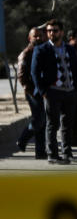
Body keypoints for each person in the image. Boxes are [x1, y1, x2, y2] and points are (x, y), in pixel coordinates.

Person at [31, 19, 77, 165]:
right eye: (49, 31)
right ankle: (52, 154)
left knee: (68, 124)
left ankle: (67, 153)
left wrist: (76, 87)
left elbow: (76, 69)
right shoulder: (41, 49)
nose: (51, 33)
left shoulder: (70, 49)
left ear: (61, 32)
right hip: (52, 92)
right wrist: (43, 91)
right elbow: (34, 72)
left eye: (54, 30)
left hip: (69, 91)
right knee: (52, 124)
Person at [15, 27, 47, 159]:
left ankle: (40, 152)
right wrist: (32, 91)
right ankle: (22, 140)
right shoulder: (26, 53)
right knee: (38, 120)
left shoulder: (41, 51)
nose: (38, 38)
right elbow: (22, 76)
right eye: (35, 36)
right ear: (30, 38)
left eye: (40, 36)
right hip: (33, 92)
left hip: (42, 91)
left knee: (42, 121)